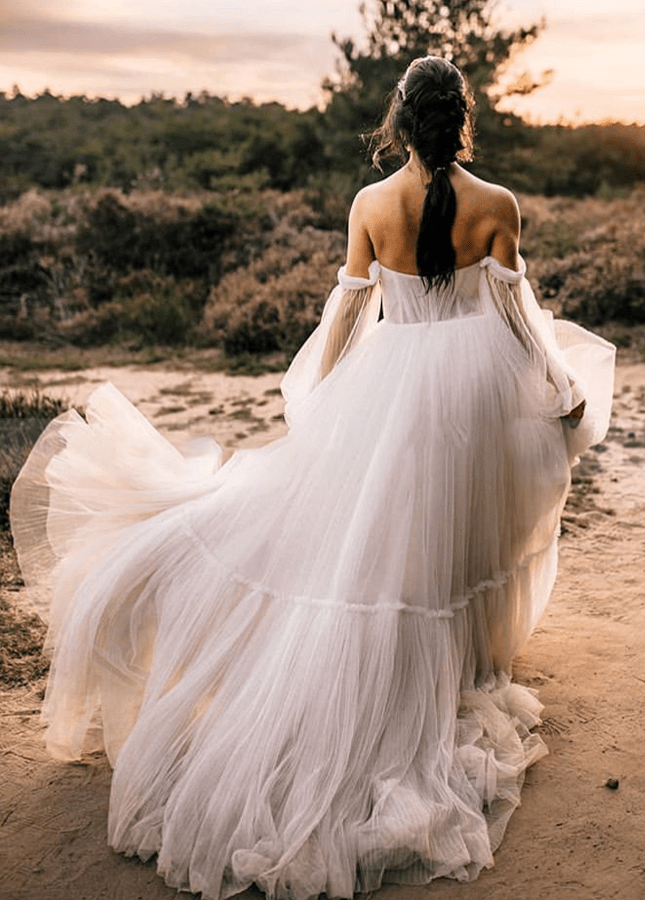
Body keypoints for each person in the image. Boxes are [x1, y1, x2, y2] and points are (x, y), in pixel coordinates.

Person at [10, 56, 614, 900]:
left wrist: (325, 385)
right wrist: (556, 383)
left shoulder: (370, 204)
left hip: (393, 379)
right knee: (460, 523)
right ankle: (458, 665)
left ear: (399, 121)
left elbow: (352, 305)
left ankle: (424, 664)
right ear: (461, 118)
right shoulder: (497, 204)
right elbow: (515, 314)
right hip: (477, 387)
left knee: (390, 531)